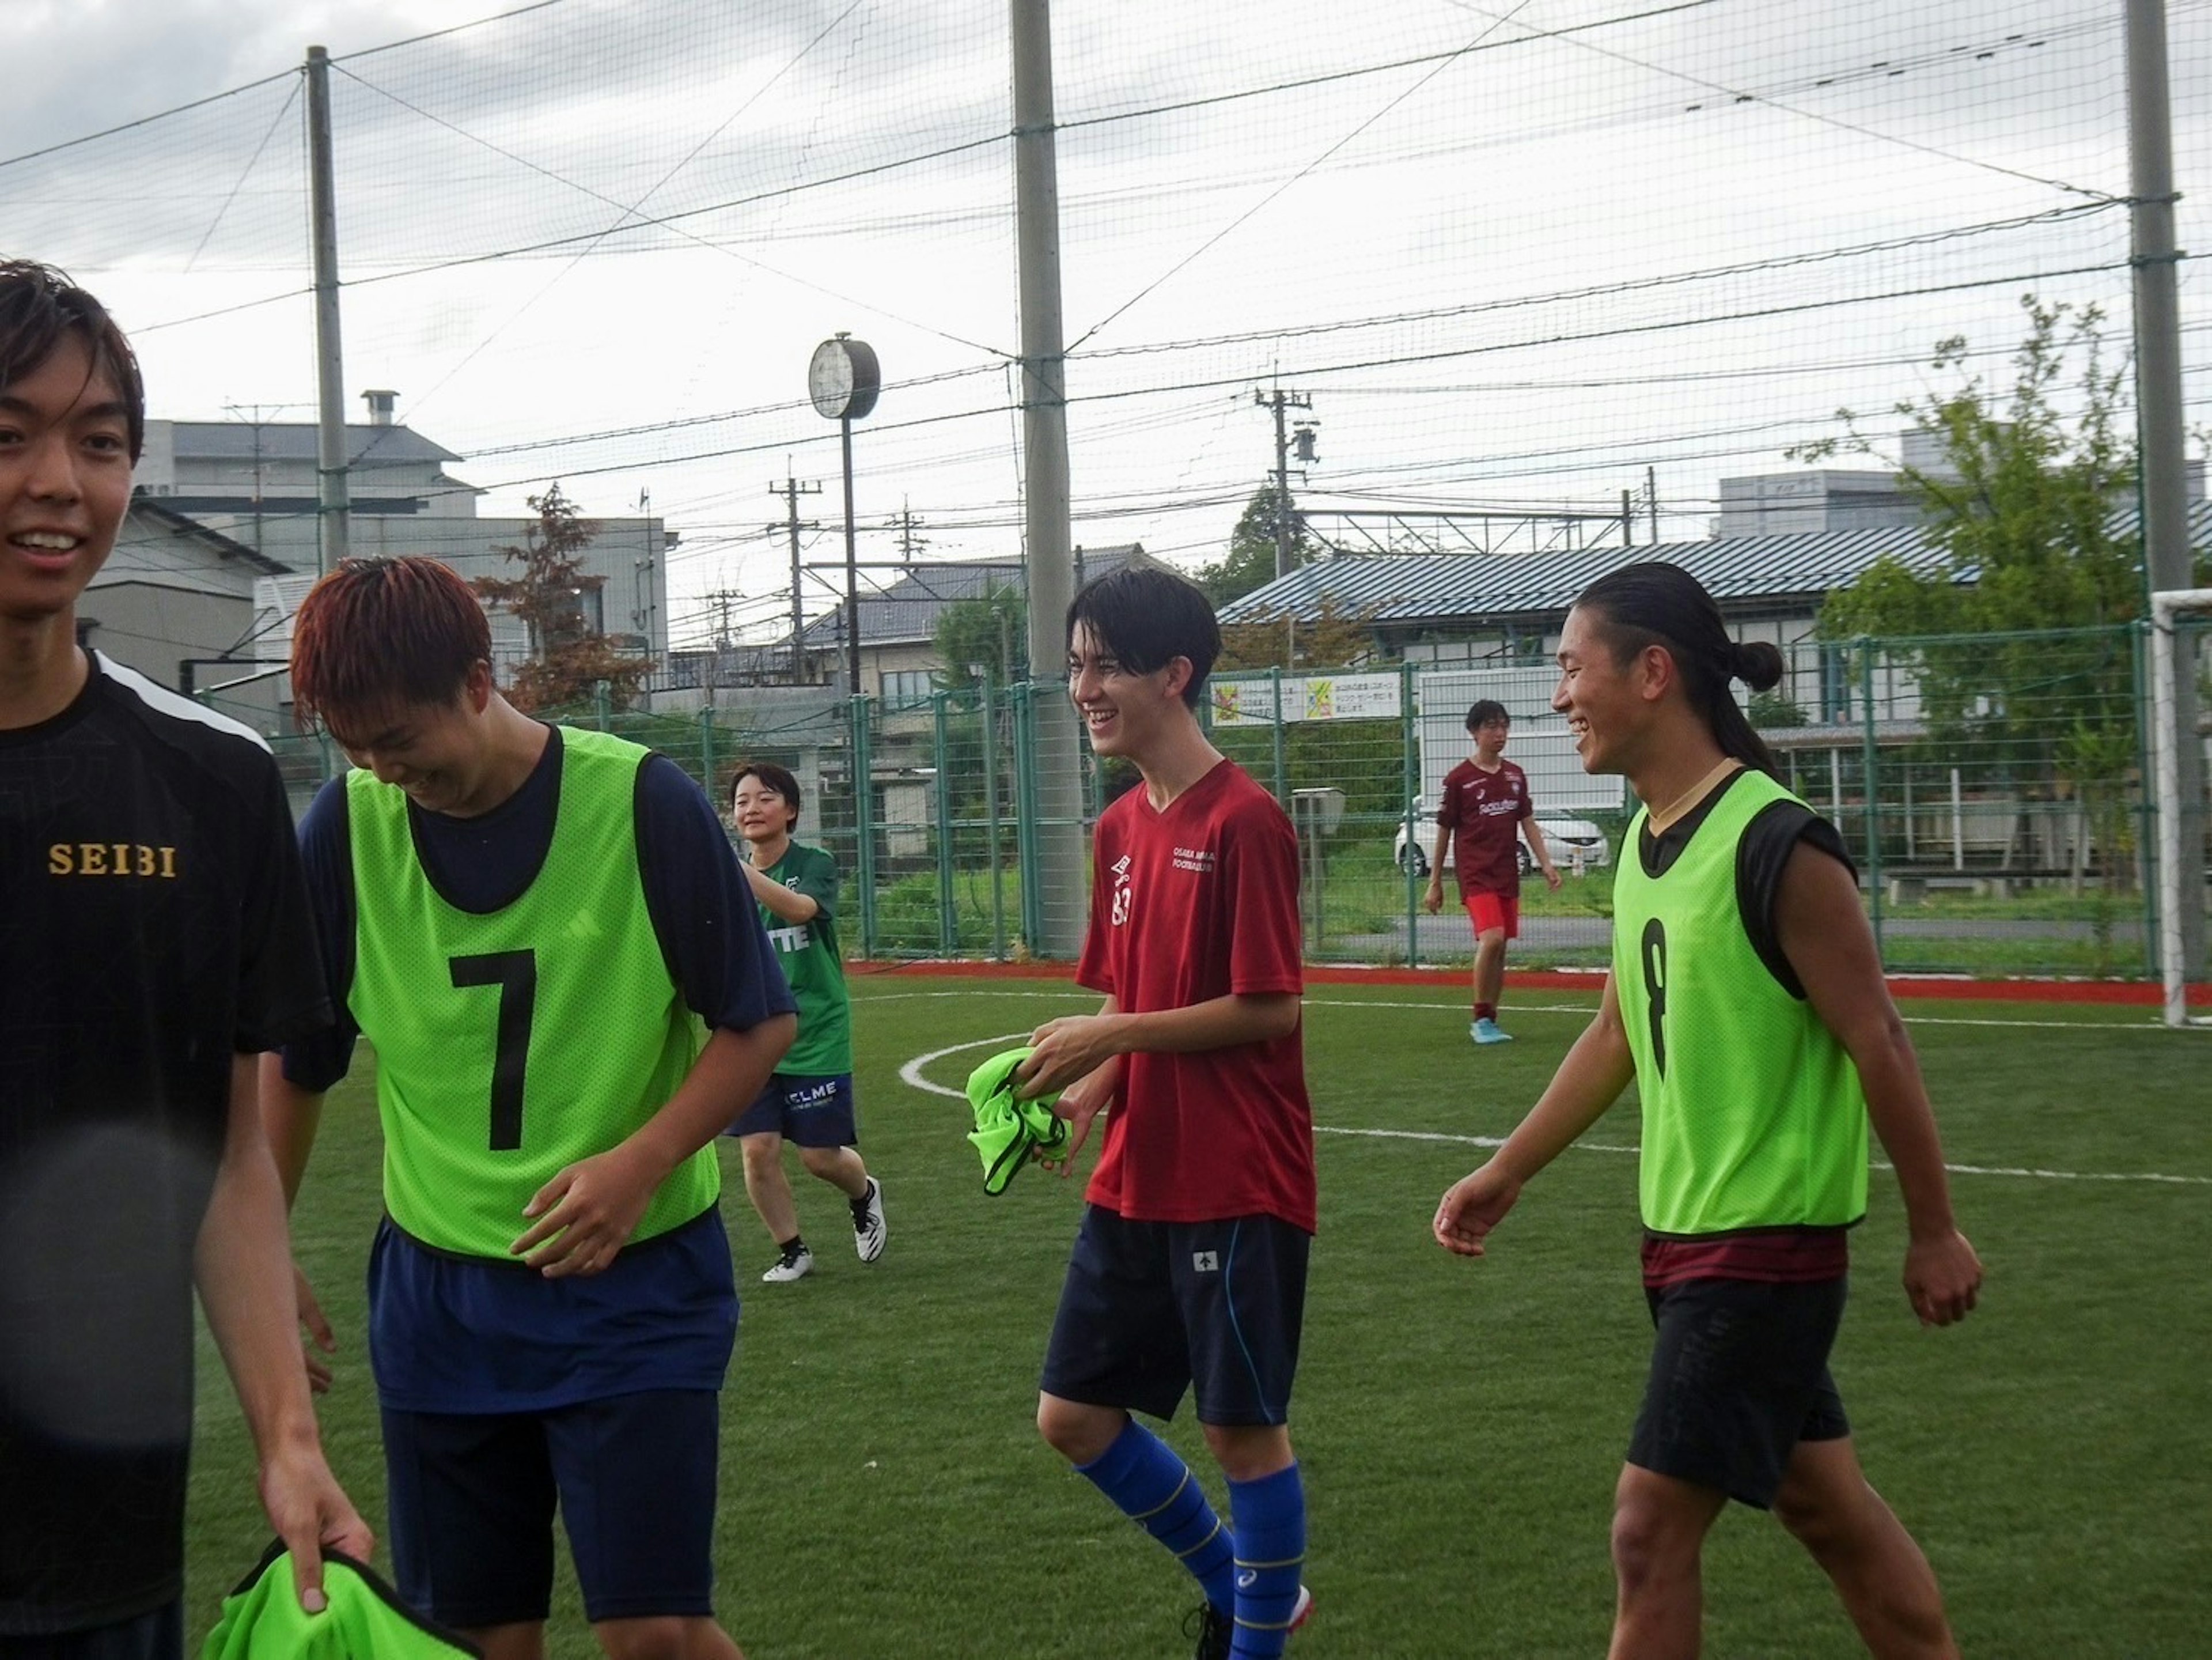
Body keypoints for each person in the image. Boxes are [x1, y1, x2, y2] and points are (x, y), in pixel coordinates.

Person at [1432, 561, 1983, 1660]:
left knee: (1646, 1529)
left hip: (1766, 1249)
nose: (1557, 699)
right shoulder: (1643, 840)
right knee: (1829, 1511)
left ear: (1652, 672)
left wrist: (1934, 1228)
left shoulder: (1778, 841)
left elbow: (1878, 1036)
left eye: (1570, 669)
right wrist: (1508, 1169)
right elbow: (1615, 1035)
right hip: (1683, 1243)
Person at [262, 555, 796, 1660]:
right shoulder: (345, 830)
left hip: (635, 1281)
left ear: (475, 680)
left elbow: (757, 1025)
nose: (382, 772)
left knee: (653, 1630)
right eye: (356, 750)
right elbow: (301, 1061)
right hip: (439, 1298)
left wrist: (640, 1161)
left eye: (399, 743)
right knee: (476, 1638)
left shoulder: (642, 803)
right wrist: (261, 1243)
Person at [0, 258, 369, 1655]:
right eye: (7, 435)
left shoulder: (209, 783)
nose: (58, 480)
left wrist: (287, 1434)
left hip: (105, 1529)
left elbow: (222, 1149)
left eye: (98, 442)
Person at [1016, 565, 1316, 1660]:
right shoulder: (1117, 830)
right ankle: (1244, 1588)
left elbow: (1270, 1010)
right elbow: (1131, 995)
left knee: (1244, 1434)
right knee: (1074, 1418)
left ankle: (1254, 1644)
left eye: (1104, 665)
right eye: (1075, 665)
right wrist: (1090, 1087)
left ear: (1175, 675)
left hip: (1237, 1178)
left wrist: (1115, 1040)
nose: (1082, 687)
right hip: (1141, 1172)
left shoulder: (1247, 821)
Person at [721, 760, 886, 1283]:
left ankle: (864, 1192)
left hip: (815, 1029)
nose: (752, 807)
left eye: (765, 797)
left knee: (818, 1156)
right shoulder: (720, 880)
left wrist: (738, 874)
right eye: (742, 800)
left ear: (791, 810)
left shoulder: (814, 863)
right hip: (752, 1032)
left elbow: (798, 910)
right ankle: (793, 1250)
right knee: (757, 1152)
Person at [1422, 699, 1559, 1045]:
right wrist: (1435, 881)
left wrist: (1545, 863)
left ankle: (1491, 1019)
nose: (1500, 734)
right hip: (1476, 874)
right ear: (1474, 732)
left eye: (1504, 726)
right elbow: (1444, 831)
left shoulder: (1515, 775)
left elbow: (1526, 821)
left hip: (1506, 874)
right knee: (1492, 937)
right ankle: (1480, 1018)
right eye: (1491, 727)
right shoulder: (1459, 780)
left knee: (1501, 947)